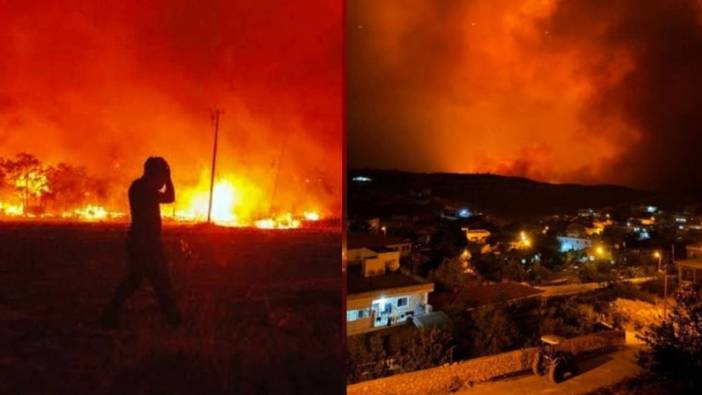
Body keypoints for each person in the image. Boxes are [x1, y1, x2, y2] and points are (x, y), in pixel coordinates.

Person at [101, 157, 181, 329]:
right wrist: (168, 179)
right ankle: (173, 319)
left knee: (145, 280)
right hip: (144, 243)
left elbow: (168, 197)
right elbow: (169, 197)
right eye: (161, 174)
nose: (162, 180)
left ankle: (172, 318)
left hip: (145, 242)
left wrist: (166, 178)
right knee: (156, 280)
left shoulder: (141, 187)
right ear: (153, 173)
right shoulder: (142, 188)